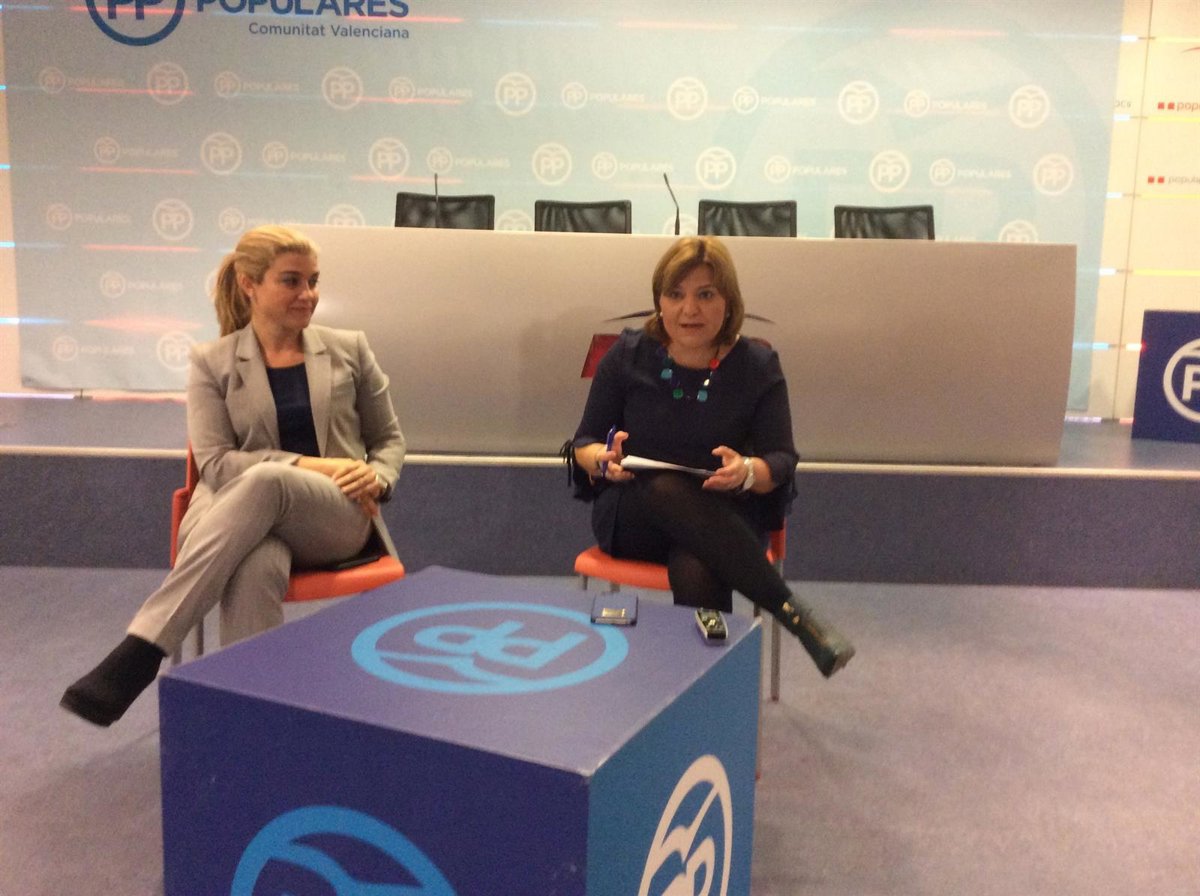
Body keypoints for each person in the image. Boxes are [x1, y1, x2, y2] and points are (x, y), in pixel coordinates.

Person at [60, 225, 406, 726]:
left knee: (269, 481)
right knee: (255, 563)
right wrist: (317, 464)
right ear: (249, 284)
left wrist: (377, 477)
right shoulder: (212, 362)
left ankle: (142, 649)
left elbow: (389, 440)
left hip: (334, 519)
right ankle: (256, 724)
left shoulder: (349, 348)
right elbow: (217, 464)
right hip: (239, 523)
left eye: (313, 281)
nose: (308, 294)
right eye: (291, 281)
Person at [570, 235, 854, 677]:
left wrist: (747, 472)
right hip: (634, 517)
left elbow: (781, 459)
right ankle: (791, 611)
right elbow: (583, 442)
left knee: (699, 562)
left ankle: (707, 692)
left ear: (728, 301)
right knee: (664, 487)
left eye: (705, 295)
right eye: (676, 294)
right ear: (659, 300)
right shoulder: (627, 355)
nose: (690, 309)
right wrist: (601, 459)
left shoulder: (757, 365)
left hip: (726, 517)